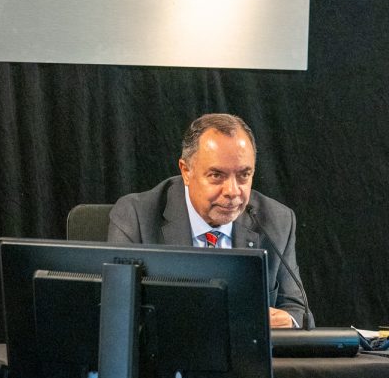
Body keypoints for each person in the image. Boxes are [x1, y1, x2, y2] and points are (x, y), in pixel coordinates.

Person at [107, 113, 309, 328]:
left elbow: (298, 311)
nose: (232, 191)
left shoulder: (277, 220)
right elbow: (117, 312)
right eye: (216, 175)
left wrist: (289, 320)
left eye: (243, 175)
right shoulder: (136, 216)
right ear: (186, 171)